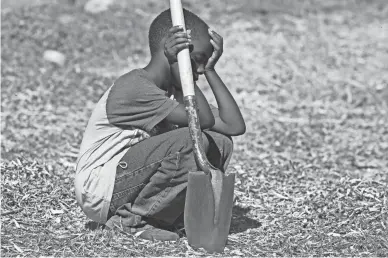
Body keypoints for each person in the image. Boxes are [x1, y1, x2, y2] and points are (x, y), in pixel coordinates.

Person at [74, 8, 245, 241]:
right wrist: (182, 65)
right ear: (172, 51)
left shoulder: (173, 92)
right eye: (195, 63)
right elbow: (201, 121)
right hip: (100, 189)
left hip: (127, 181)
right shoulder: (135, 87)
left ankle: (162, 216)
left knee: (220, 143)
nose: (197, 73)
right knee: (192, 139)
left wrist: (210, 69)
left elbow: (232, 126)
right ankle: (131, 221)